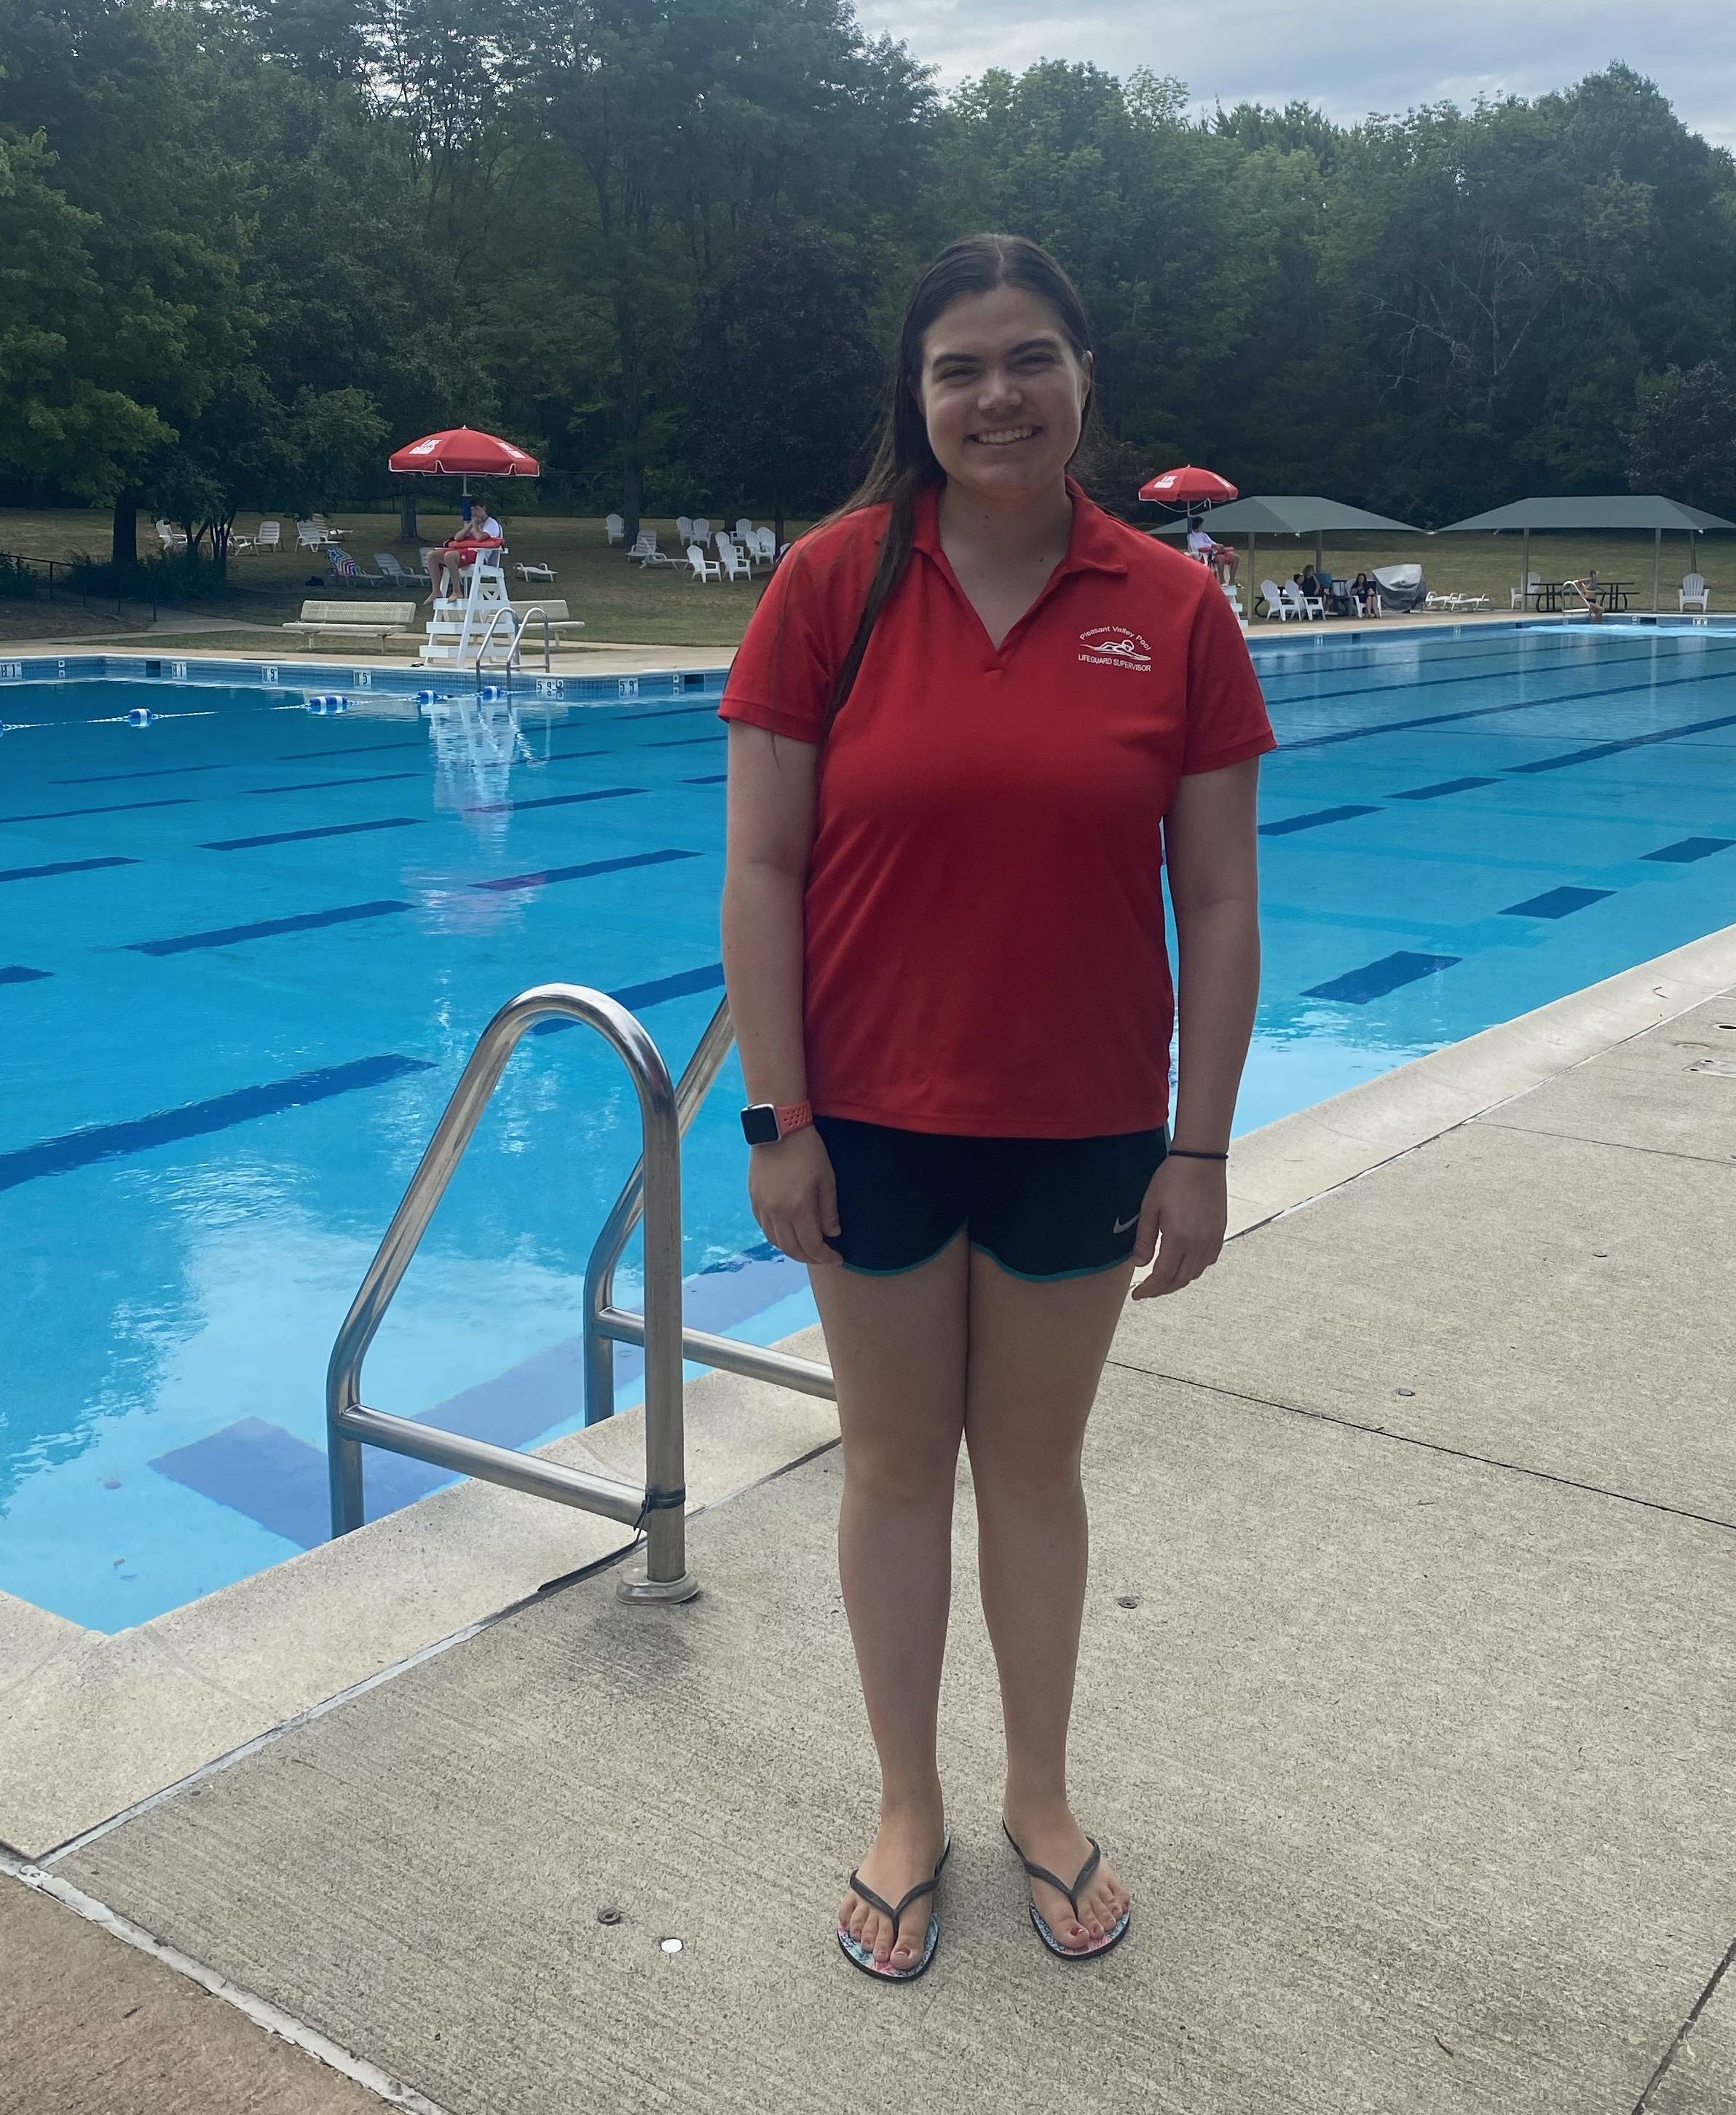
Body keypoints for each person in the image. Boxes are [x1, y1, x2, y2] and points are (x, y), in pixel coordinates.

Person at [718, 232, 1273, 1985]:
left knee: (1031, 1473)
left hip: (1083, 1119)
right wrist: (775, 1117)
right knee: (892, 1469)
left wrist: (1199, 1143)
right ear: (916, 393)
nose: (996, 395)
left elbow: (1219, 897)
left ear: (1083, 374)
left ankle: (1038, 1794)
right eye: (958, 366)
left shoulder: (1169, 606)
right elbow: (759, 866)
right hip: (870, 1116)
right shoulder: (830, 584)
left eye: (1029, 356)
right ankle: (906, 1804)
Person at [425, 500, 502, 602]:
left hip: (479, 555)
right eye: (472, 510)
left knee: (450, 556)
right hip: (465, 552)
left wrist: (475, 525)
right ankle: (436, 591)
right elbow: (457, 538)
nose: (474, 512)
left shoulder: (491, 524)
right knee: (431, 555)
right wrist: (471, 525)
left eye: (476, 509)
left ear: (484, 508)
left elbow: (480, 538)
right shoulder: (473, 524)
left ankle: (457, 592)